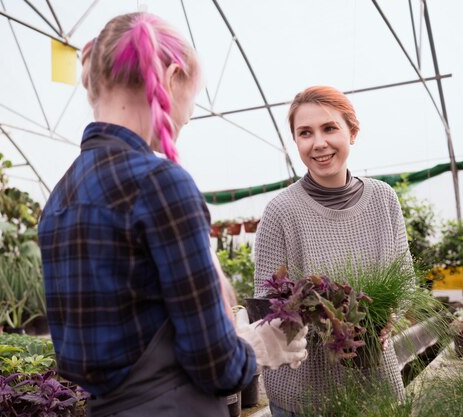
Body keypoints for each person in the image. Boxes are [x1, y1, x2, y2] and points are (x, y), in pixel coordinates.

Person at [38, 12, 307, 417]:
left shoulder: (61, 195)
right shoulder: (158, 183)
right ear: (171, 78)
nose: (190, 113)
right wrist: (256, 349)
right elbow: (216, 367)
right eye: (192, 95)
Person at [253, 86, 410, 416]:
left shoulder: (384, 200)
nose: (318, 143)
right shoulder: (281, 211)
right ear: (295, 142)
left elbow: (405, 282)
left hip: (375, 389)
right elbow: (266, 307)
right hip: (303, 397)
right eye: (305, 133)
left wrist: (389, 317)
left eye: (329, 128)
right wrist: (326, 325)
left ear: (352, 132)